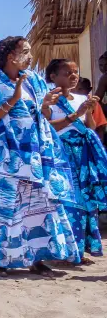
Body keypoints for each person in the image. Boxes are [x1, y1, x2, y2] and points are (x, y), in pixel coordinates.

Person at [0, 36, 80, 276]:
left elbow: (43, 113)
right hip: (6, 158)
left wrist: (45, 105)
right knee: (6, 208)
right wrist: (13, 99)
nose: (31, 56)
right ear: (11, 56)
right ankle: (1, 262)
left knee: (39, 206)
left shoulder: (33, 79)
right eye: (25, 51)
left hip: (35, 155)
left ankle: (37, 259)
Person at [42, 58, 107, 262]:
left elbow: (91, 127)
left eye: (75, 72)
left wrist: (87, 112)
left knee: (85, 203)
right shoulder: (48, 100)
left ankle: (78, 250)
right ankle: (64, 251)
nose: (73, 76)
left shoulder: (81, 99)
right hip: (61, 155)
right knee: (64, 201)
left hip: (82, 156)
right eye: (67, 73)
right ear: (53, 77)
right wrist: (74, 116)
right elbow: (47, 127)